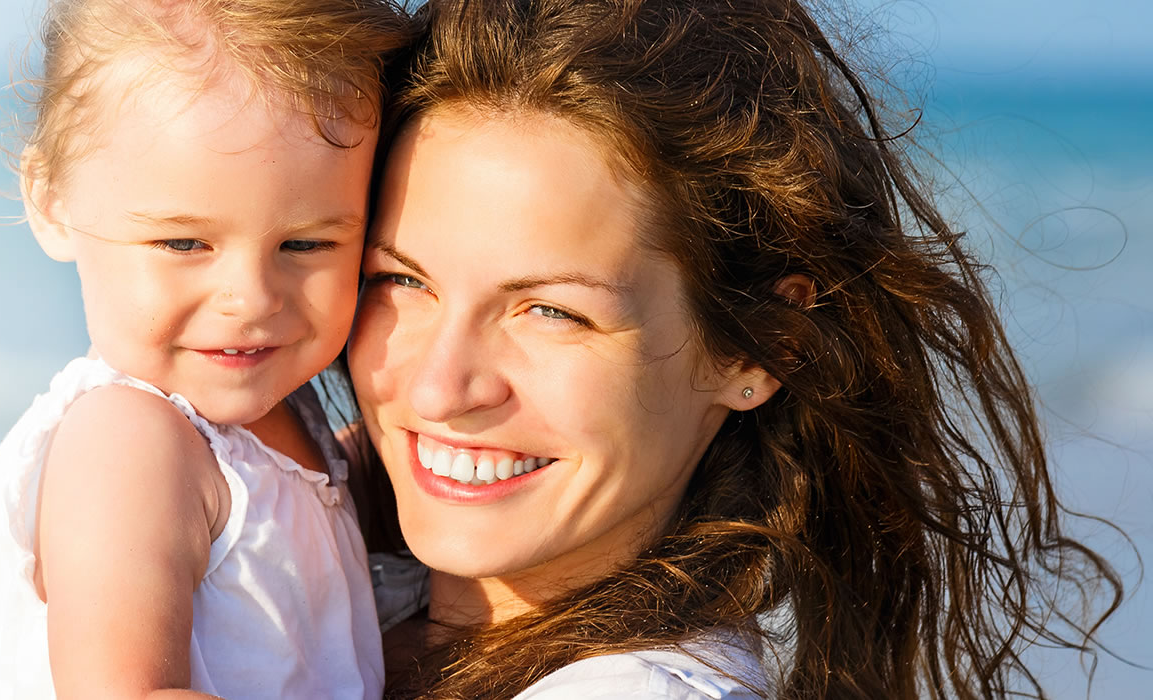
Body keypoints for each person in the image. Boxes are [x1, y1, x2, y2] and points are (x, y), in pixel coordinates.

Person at [345, 0, 1126, 697]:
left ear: (759, 349)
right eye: (401, 282)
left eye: (551, 311)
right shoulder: (341, 590)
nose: (439, 388)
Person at [0, 1, 413, 698]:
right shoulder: (127, 444)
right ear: (54, 203)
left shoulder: (284, 425)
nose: (251, 297)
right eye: (184, 243)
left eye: (306, 244)